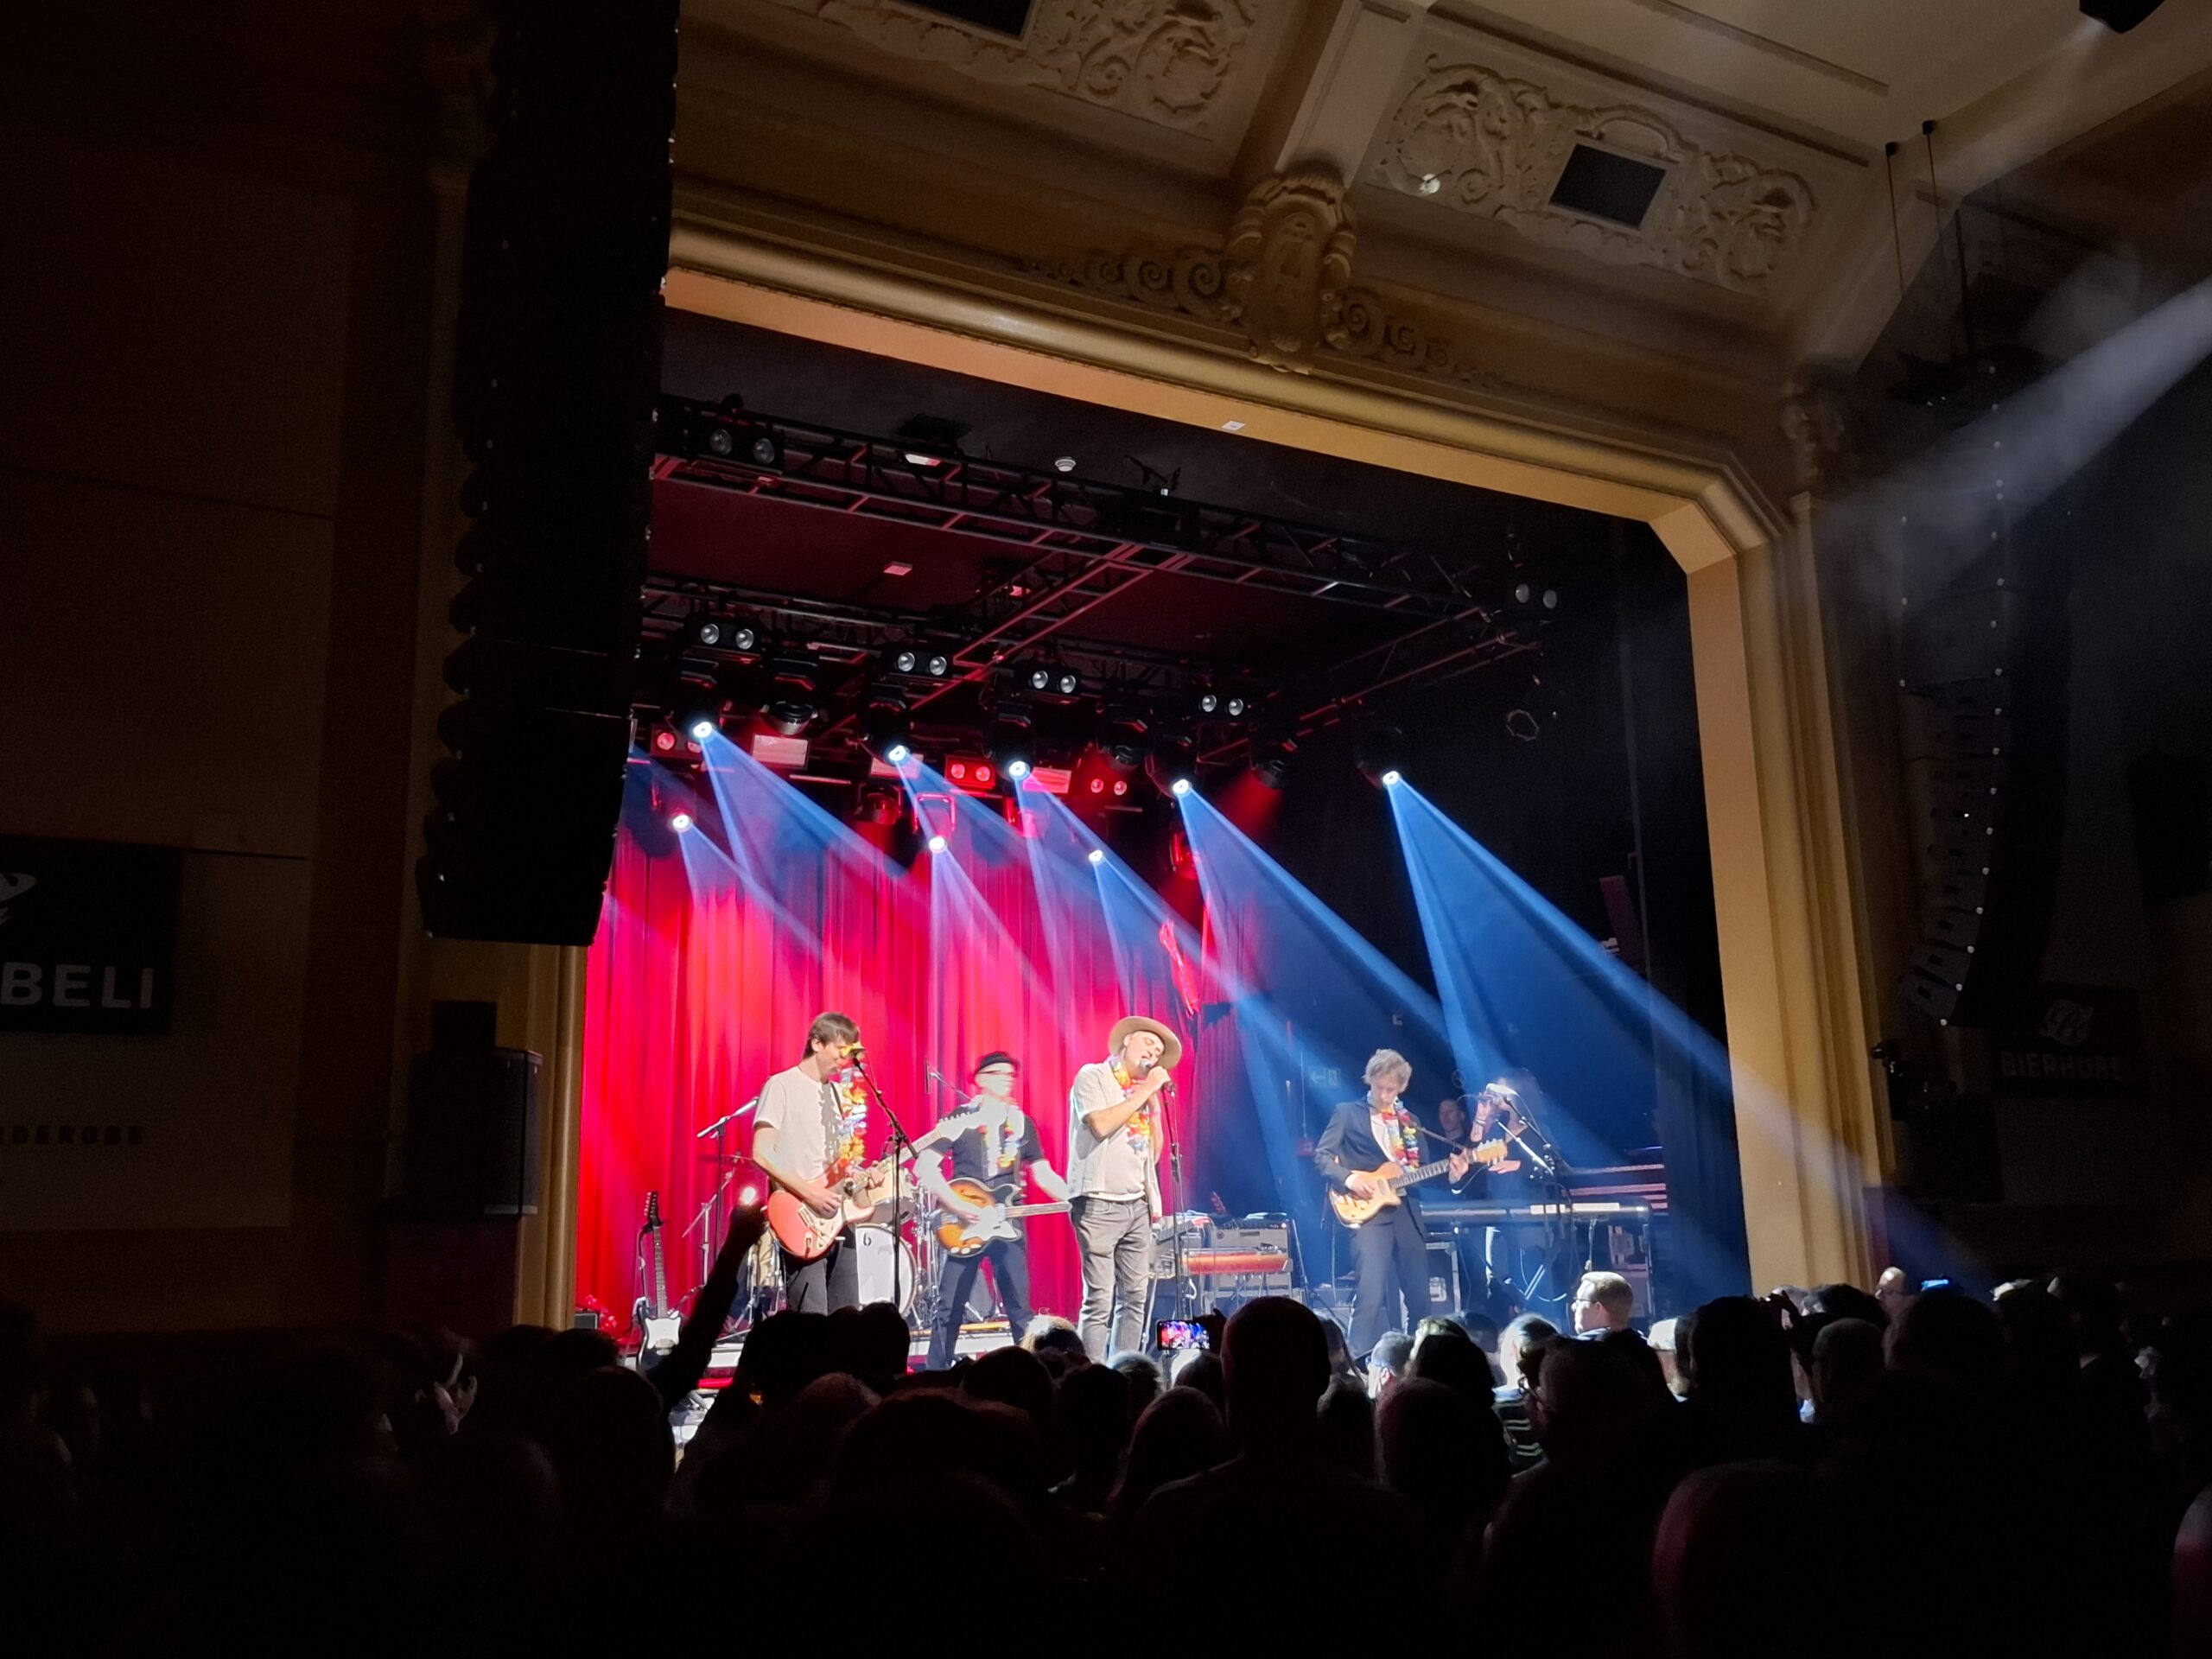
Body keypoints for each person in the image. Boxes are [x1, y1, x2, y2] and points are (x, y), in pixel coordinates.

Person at [913, 1052, 1071, 1369]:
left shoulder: (1022, 1123)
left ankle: (1032, 1375)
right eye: (999, 1073)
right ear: (981, 1079)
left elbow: (1042, 1172)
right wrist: (955, 1203)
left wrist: (1076, 1196)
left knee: (1020, 1309)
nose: (1007, 1079)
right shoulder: (959, 1120)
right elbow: (924, 1167)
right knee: (949, 1307)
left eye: (1011, 1074)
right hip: (964, 1222)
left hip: (1008, 1223)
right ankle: (936, 1374)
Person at [1315, 1049, 1471, 1358]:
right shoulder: (1348, 1112)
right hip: (1368, 1211)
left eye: (1391, 1089)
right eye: (1379, 1087)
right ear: (1369, 1081)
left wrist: (1452, 1176)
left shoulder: (1410, 1121)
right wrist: (1350, 1179)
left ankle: (1423, 1360)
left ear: (1402, 1088)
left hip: (1407, 1212)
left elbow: (1424, 1170)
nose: (1384, 1094)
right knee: (1369, 1294)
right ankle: (1352, 1363)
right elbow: (1322, 1157)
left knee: (1420, 1297)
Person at [1067, 1014, 1179, 1360]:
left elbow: (1153, 1156)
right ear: (1127, 1040)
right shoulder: (1093, 1076)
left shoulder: (1142, 1095)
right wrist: (1146, 1090)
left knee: (1135, 1298)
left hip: (1136, 1206)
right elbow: (1100, 1124)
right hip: (1099, 1203)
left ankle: (1127, 1371)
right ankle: (1092, 1377)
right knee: (1100, 1298)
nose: (1154, 1053)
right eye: (1149, 1042)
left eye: (1159, 1051)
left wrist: (1155, 1111)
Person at [751, 1012, 874, 1313]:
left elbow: (840, 1161)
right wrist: (811, 1194)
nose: (846, 1059)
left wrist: (863, 1176)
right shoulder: (781, 1085)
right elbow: (762, 1152)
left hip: (839, 1215)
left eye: (851, 1051)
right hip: (802, 1215)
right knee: (812, 1321)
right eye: (840, 1049)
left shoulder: (838, 1095)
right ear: (817, 1043)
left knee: (847, 1319)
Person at [1571, 1269, 1637, 1336]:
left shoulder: (1577, 1345)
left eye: (1579, 1301)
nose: (1573, 1307)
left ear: (1598, 1307)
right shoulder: (1643, 1343)